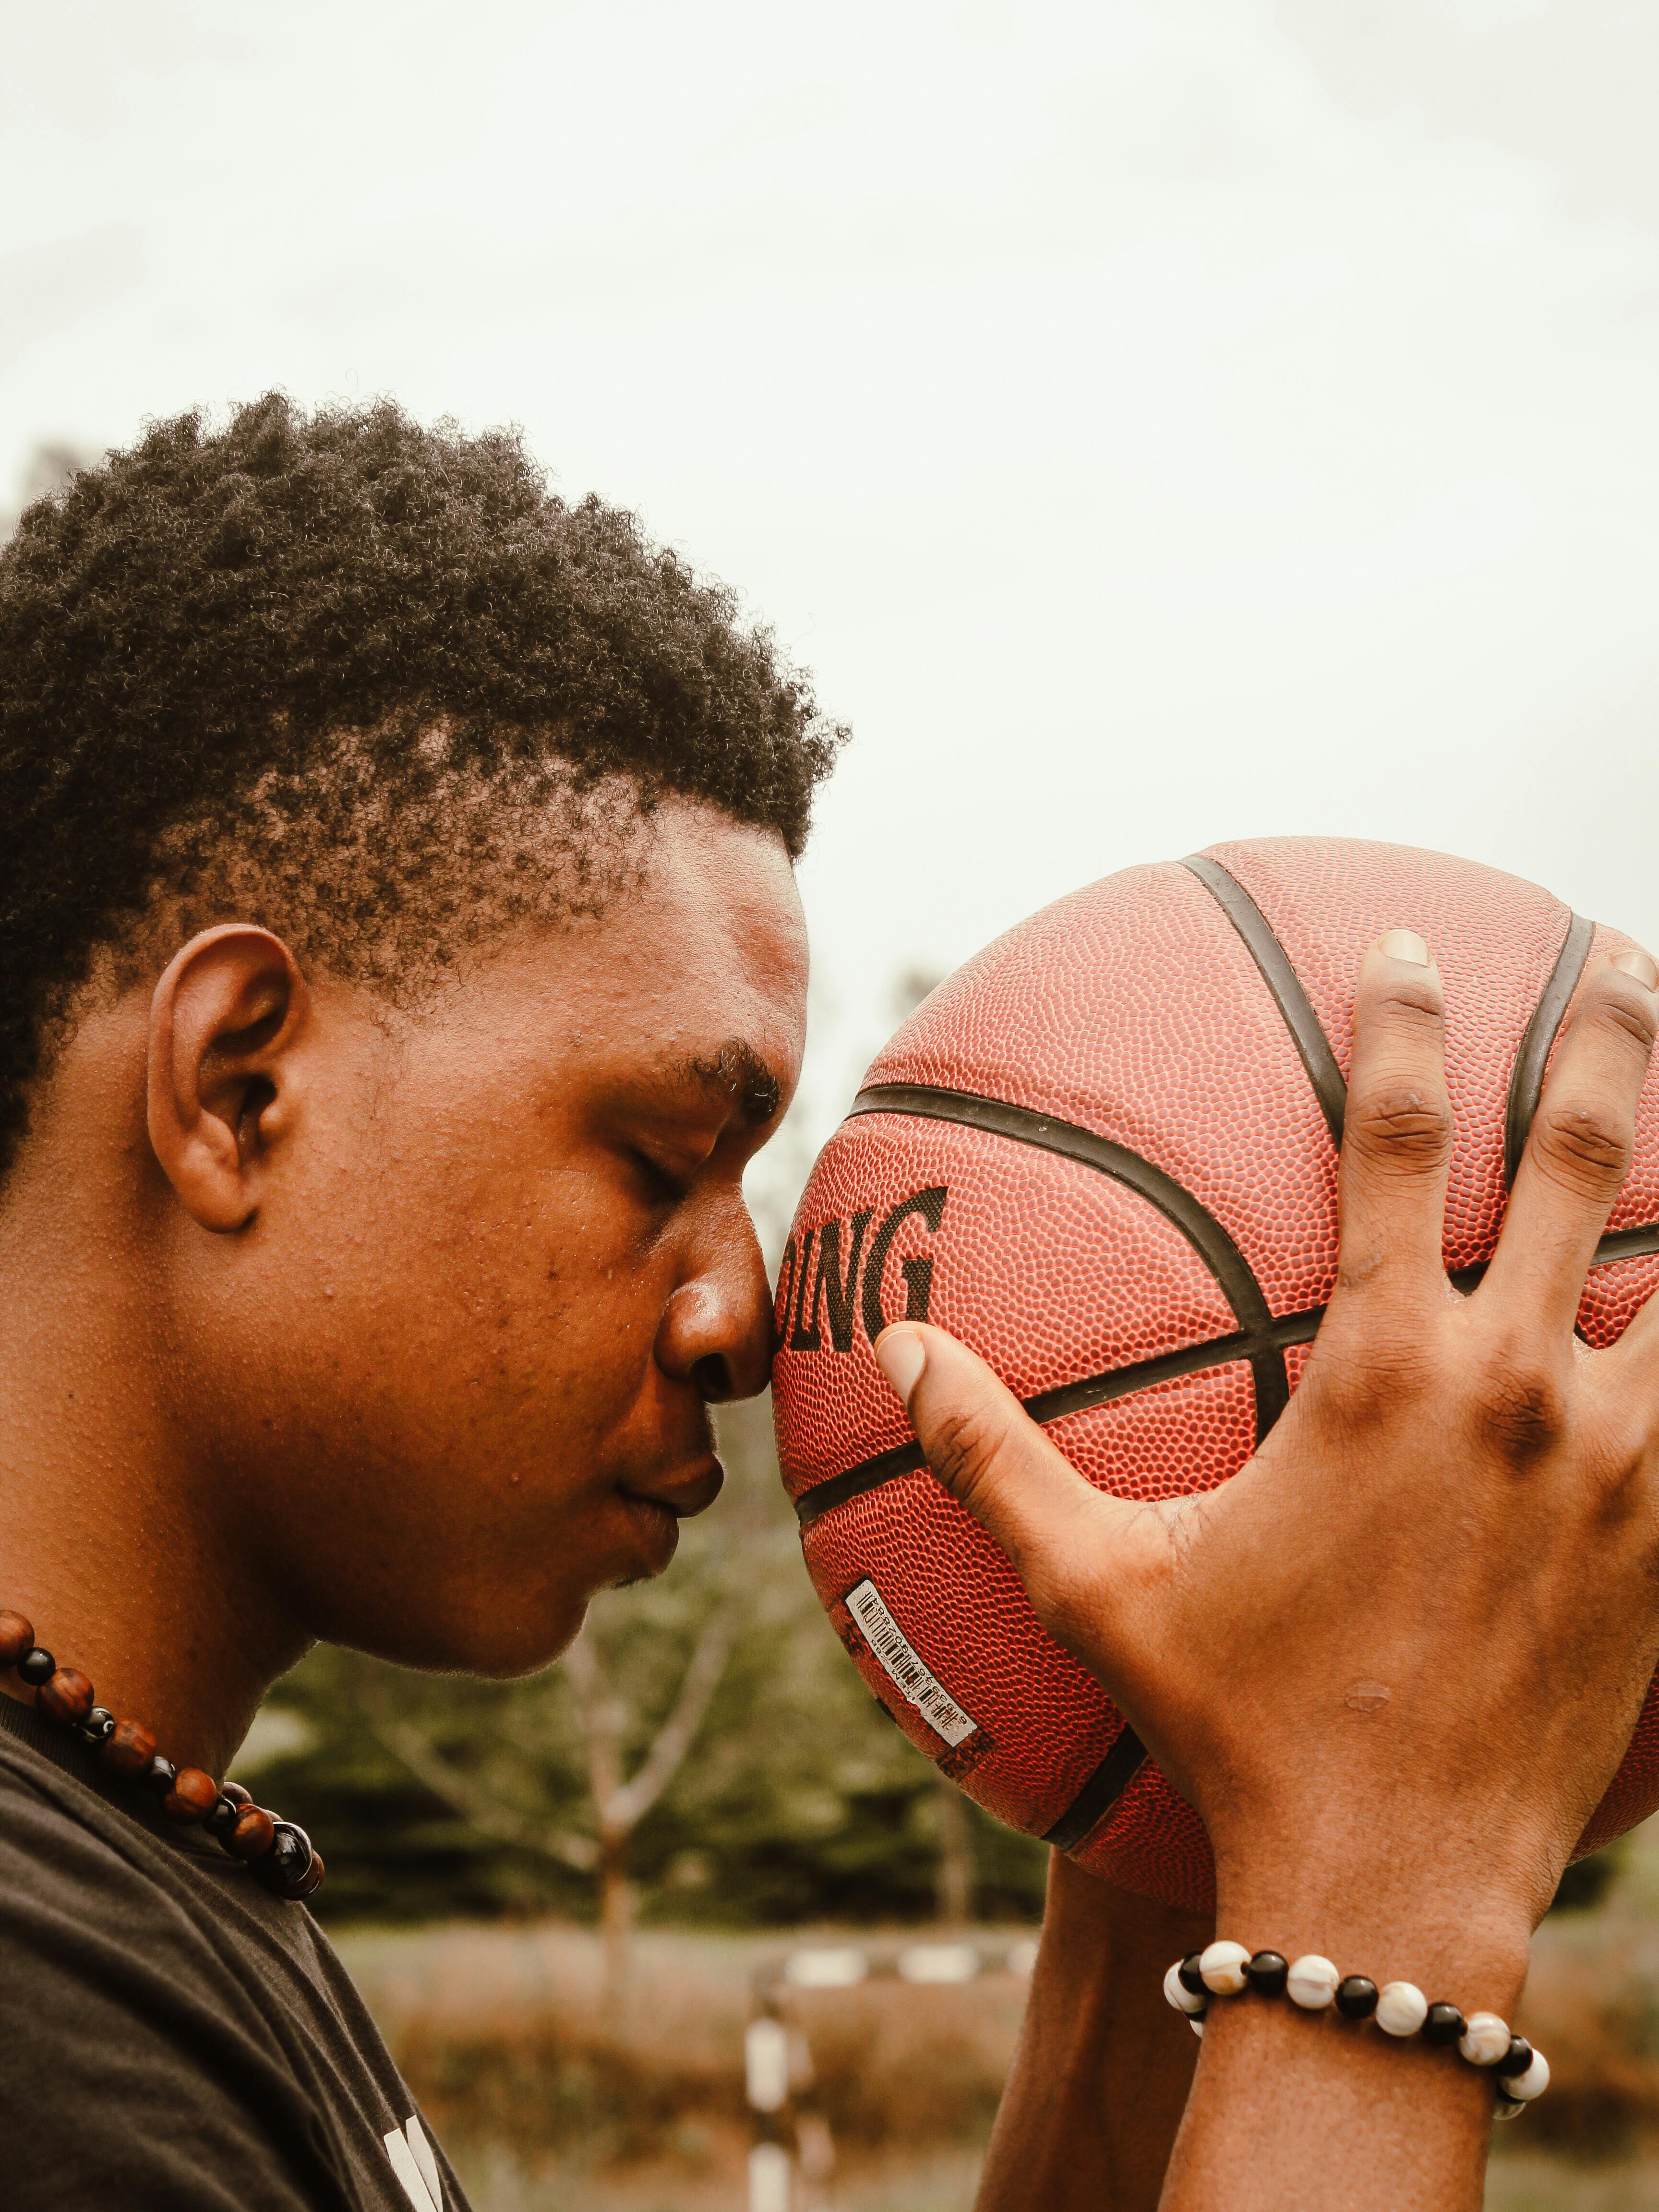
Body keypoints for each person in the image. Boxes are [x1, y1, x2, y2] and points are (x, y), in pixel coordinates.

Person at [0, 396, 1655, 2212]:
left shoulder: (133, 1891)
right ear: (239, 1091)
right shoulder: (40, 2032)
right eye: (661, 1158)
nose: (745, 1312)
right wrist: (1381, 1893)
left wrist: (1167, 1801)